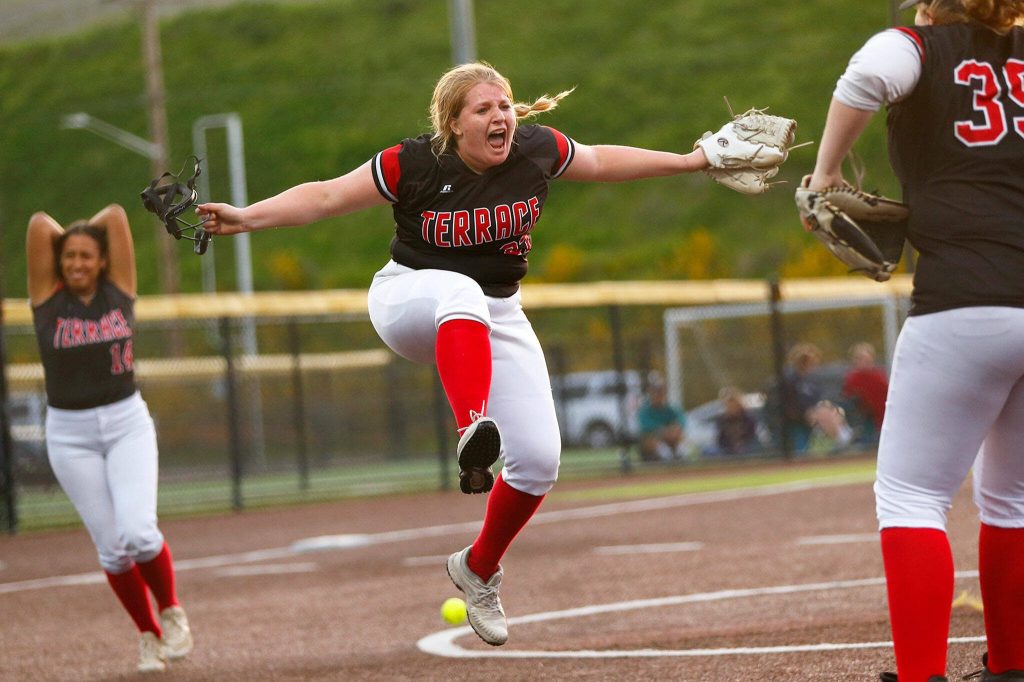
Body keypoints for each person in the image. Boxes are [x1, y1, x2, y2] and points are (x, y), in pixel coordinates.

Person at [195, 61, 738, 647]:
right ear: (452, 123)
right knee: (459, 291)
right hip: (409, 299)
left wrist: (692, 160)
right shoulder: (415, 162)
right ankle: (471, 429)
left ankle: (477, 568)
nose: (500, 116)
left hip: (496, 311)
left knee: (538, 461)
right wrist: (248, 217)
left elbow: (602, 161)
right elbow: (327, 197)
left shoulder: (537, 149)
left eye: (504, 104)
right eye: (483, 109)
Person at [804, 2, 1024, 679]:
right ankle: (1012, 665)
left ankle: (923, 674)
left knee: (911, 498)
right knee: (1013, 500)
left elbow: (865, 78)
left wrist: (825, 173)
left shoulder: (918, 45)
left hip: (963, 296)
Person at [26, 205, 193, 673]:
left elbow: (116, 215)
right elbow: (40, 225)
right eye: (69, 256)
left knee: (139, 533)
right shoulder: (46, 300)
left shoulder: (118, 293)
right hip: (69, 432)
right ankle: (149, 635)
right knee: (112, 549)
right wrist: (69, 237)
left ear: (103, 261)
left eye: (86, 256)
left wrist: (85, 232)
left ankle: (172, 611)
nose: (76, 263)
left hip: (125, 423)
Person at [767, 342, 825, 454]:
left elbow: (816, 398)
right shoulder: (788, 379)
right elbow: (787, 406)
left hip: (811, 421)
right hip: (793, 423)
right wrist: (804, 415)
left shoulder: (812, 380)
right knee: (801, 449)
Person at [841, 341, 889, 444]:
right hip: (865, 420)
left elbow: (885, 394)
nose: (865, 362)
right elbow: (847, 398)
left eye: (867, 358)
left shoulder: (878, 375)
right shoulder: (852, 378)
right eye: (861, 359)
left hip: (883, 417)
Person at [636, 374, 687, 462]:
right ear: (651, 392)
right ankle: (665, 455)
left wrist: (674, 428)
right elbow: (645, 426)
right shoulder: (644, 410)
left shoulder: (670, 408)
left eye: (661, 391)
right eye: (656, 391)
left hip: (670, 438)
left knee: (678, 432)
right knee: (649, 438)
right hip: (653, 440)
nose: (658, 394)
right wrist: (663, 430)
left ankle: (680, 453)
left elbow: (682, 420)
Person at [712, 387, 759, 456]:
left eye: (734, 403)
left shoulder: (748, 418)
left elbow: (752, 435)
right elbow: (720, 439)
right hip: (727, 449)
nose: (731, 406)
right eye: (729, 403)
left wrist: (741, 444)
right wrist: (731, 446)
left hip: (747, 447)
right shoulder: (721, 420)